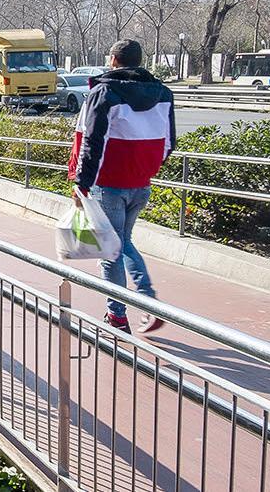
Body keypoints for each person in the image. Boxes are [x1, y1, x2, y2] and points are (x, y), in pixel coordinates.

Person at [68, 39, 175, 335]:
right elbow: (169, 142)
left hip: (109, 184)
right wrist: (145, 170)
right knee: (123, 241)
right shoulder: (164, 93)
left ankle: (126, 310)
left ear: (113, 60)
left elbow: (93, 141)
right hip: (140, 184)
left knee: (112, 248)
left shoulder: (104, 92)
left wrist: (81, 184)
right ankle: (131, 306)